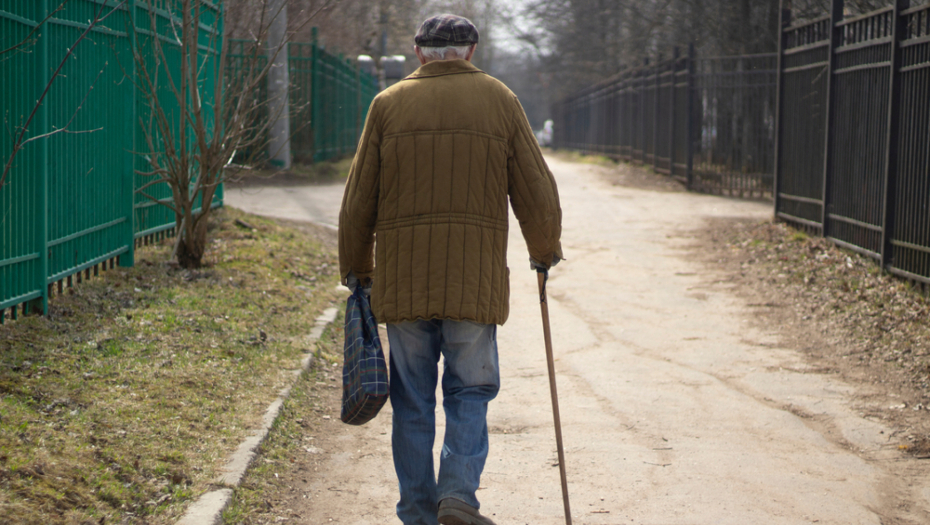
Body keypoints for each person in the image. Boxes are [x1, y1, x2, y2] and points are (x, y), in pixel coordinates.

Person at [338, 14, 563, 525]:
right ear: (472, 51)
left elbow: (356, 203)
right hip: (473, 284)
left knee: (412, 400)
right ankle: (458, 494)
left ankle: (418, 510)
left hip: (405, 285)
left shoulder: (387, 105)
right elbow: (537, 189)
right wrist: (543, 251)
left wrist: (357, 269)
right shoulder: (501, 101)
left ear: (419, 53)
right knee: (471, 390)